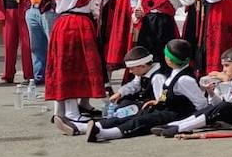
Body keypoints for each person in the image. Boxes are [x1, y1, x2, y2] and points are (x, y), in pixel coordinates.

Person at [45, 0, 120, 129]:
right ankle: (73, 114)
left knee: (63, 66)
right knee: (75, 66)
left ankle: (60, 112)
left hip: (62, 22)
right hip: (75, 23)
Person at [79, 39, 207, 142]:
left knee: (141, 121)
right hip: (167, 108)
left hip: (177, 114)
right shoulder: (175, 72)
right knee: (136, 115)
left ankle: (105, 133)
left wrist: (191, 121)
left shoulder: (184, 79)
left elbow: (201, 104)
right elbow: (166, 94)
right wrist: (157, 102)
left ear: (169, 59)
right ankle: (91, 127)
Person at [155, 47, 232, 136]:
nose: (224, 70)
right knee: (212, 107)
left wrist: (225, 81)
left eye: (227, 65)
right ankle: (177, 124)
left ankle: (182, 128)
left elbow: (231, 101)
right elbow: (218, 103)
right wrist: (211, 92)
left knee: (225, 107)